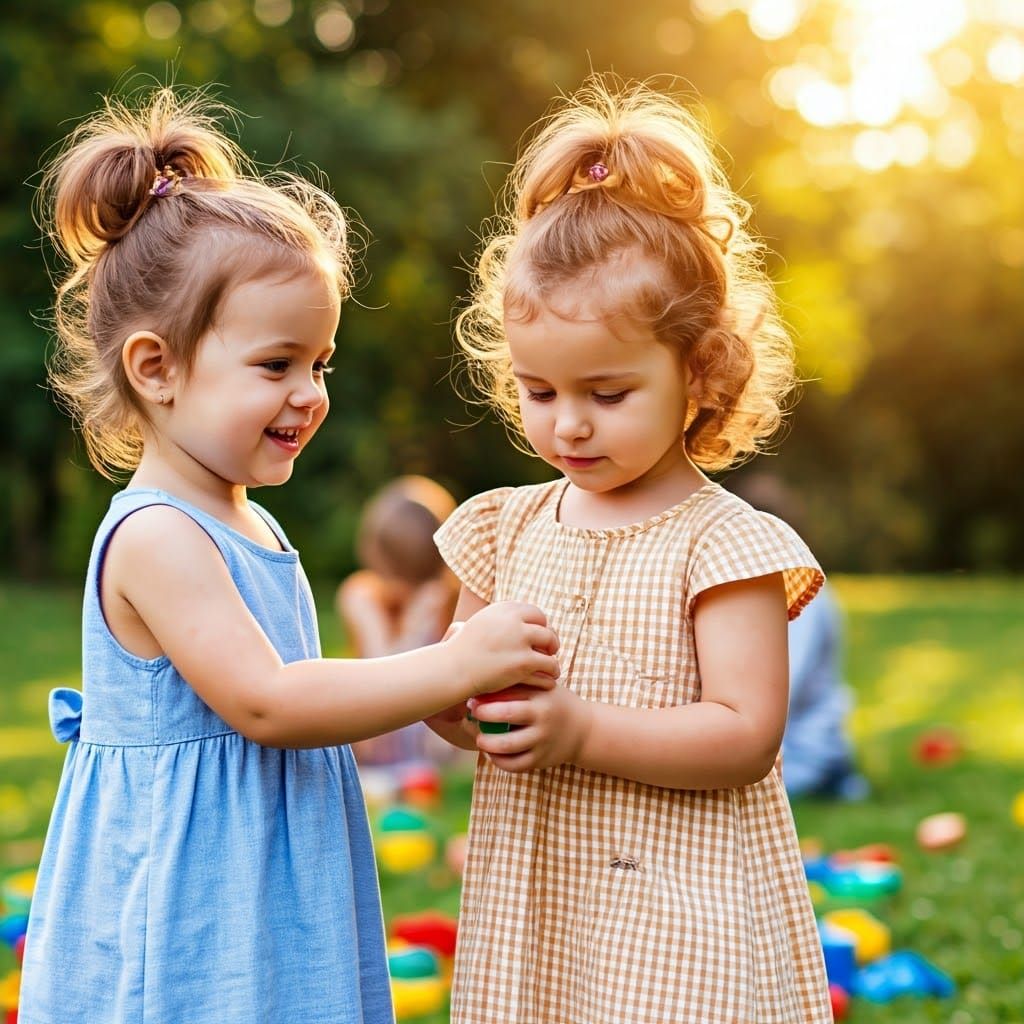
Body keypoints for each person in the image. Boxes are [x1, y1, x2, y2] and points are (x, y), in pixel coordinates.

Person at [19, 87, 560, 1024]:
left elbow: (306, 688)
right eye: (276, 365)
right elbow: (268, 702)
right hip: (188, 908)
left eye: (322, 362)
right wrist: (450, 662)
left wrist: (438, 701)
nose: (310, 393)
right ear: (157, 368)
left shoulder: (254, 525)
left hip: (263, 883)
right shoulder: (155, 534)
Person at [427, 77, 832, 1023]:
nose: (567, 424)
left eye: (607, 395)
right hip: (542, 906)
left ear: (700, 372)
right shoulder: (504, 527)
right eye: (538, 390)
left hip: (684, 920)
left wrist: (581, 731)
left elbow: (743, 733)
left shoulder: (726, 543)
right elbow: (458, 698)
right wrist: (454, 706)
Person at [730, 472, 867, 800]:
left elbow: (784, 685)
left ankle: (836, 779)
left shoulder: (804, 597)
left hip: (807, 747)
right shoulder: (742, 597)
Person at [336, 475, 461, 765]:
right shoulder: (362, 595)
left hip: (430, 737)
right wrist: (380, 626)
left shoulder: (446, 600)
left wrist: (421, 619)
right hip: (377, 725)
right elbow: (377, 672)